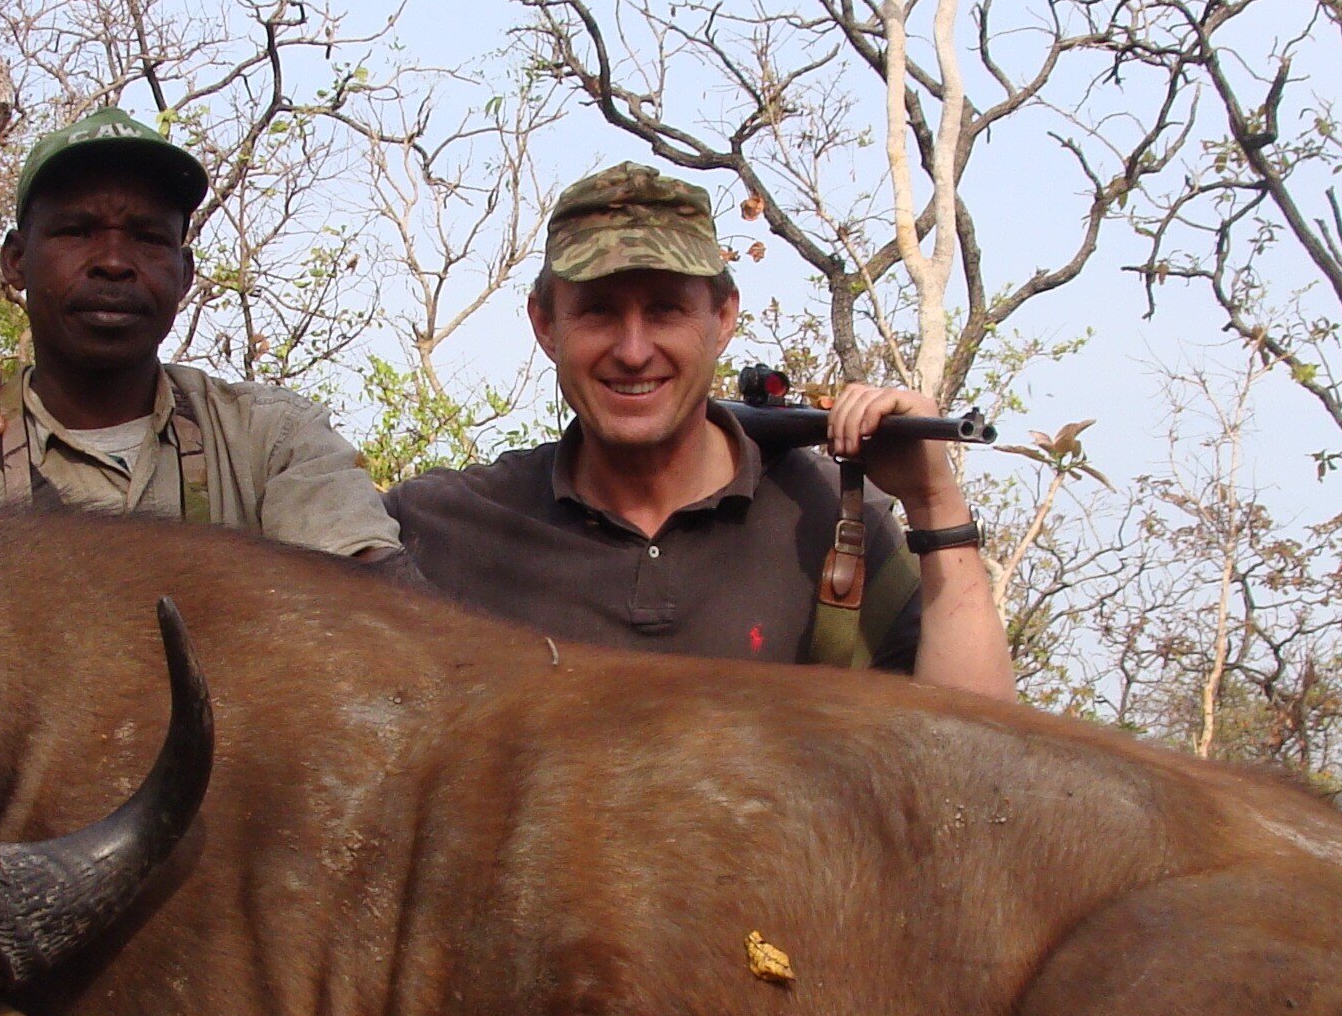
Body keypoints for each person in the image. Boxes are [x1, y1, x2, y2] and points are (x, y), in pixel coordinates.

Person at [384, 164, 1018, 699]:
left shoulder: (833, 521)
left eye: (665, 310)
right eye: (599, 311)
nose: (634, 352)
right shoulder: (443, 527)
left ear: (722, 319)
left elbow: (985, 775)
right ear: (546, 327)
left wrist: (935, 503)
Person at [0, 105, 404, 561]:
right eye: (76, 232)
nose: (113, 262)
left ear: (185, 275)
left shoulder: (273, 439)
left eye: (148, 238)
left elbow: (375, 608)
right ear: (16, 263)